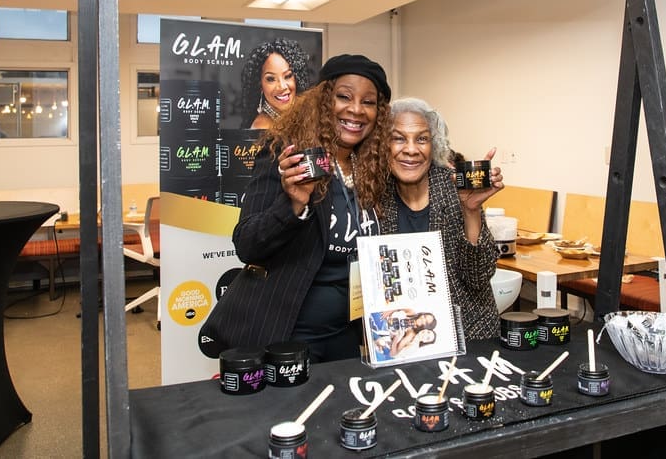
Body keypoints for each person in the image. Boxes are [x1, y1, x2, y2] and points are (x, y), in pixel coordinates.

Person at [200, 54, 392, 362]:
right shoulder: (286, 154)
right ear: (323, 101)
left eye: (368, 102)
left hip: (347, 335)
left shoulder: (375, 168)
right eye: (344, 96)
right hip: (288, 335)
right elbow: (247, 244)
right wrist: (293, 204)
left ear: (379, 114)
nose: (356, 110)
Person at [379, 97, 503, 341]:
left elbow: (478, 277)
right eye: (398, 138)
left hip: (470, 333)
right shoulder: (373, 194)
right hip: (403, 338)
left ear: (433, 145)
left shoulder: (454, 186)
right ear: (383, 144)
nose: (411, 149)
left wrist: (471, 211)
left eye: (422, 139)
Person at [238, 38, 313, 129]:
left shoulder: (304, 116)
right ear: (260, 85)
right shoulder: (262, 126)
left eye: (288, 76)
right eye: (271, 79)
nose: (282, 86)